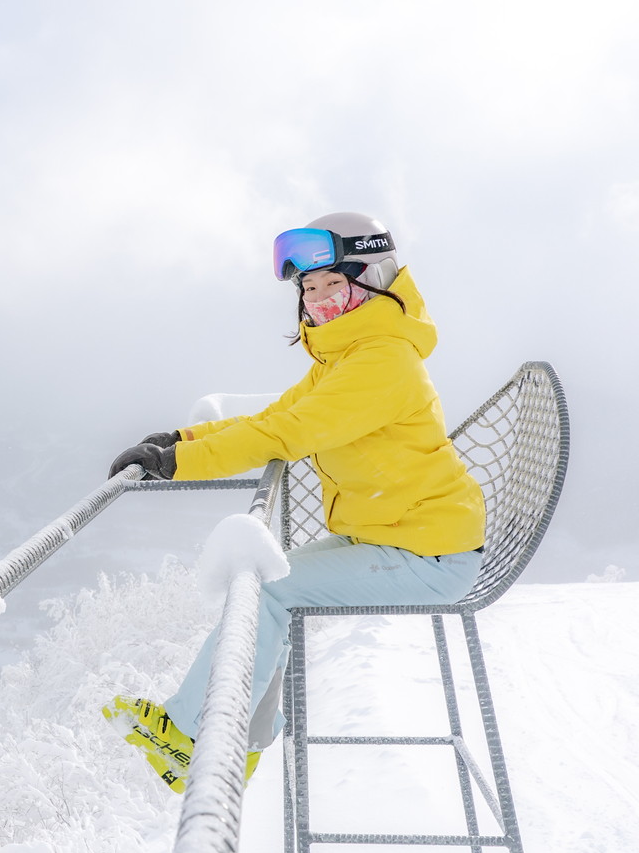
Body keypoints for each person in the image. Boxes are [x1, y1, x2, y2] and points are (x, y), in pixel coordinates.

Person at [102, 214, 485, 793]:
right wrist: (181, 441)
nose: (318, 298)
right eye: (308, 288)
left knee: (271, 590)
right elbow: (274, 417)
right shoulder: (346, 357)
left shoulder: (381, 361)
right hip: (395, 536)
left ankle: (194, 741)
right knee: (266, 582)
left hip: (428, 555)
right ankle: (238, 742)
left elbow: (287, 435)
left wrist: (178, 466)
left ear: (373, 278)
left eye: (333, 283)